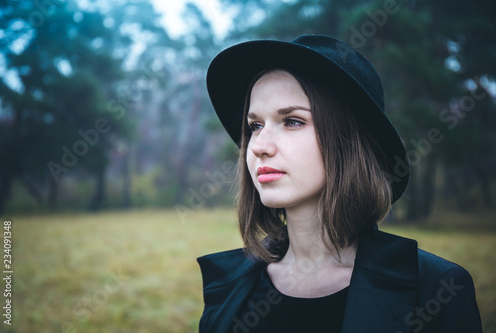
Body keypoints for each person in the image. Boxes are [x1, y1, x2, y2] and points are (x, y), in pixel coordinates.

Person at [197, 35, 482, 333]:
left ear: (350, 140)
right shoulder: (231, 288)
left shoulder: (437, 290)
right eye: (255, 125)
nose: (259, 146)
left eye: (292, 121)